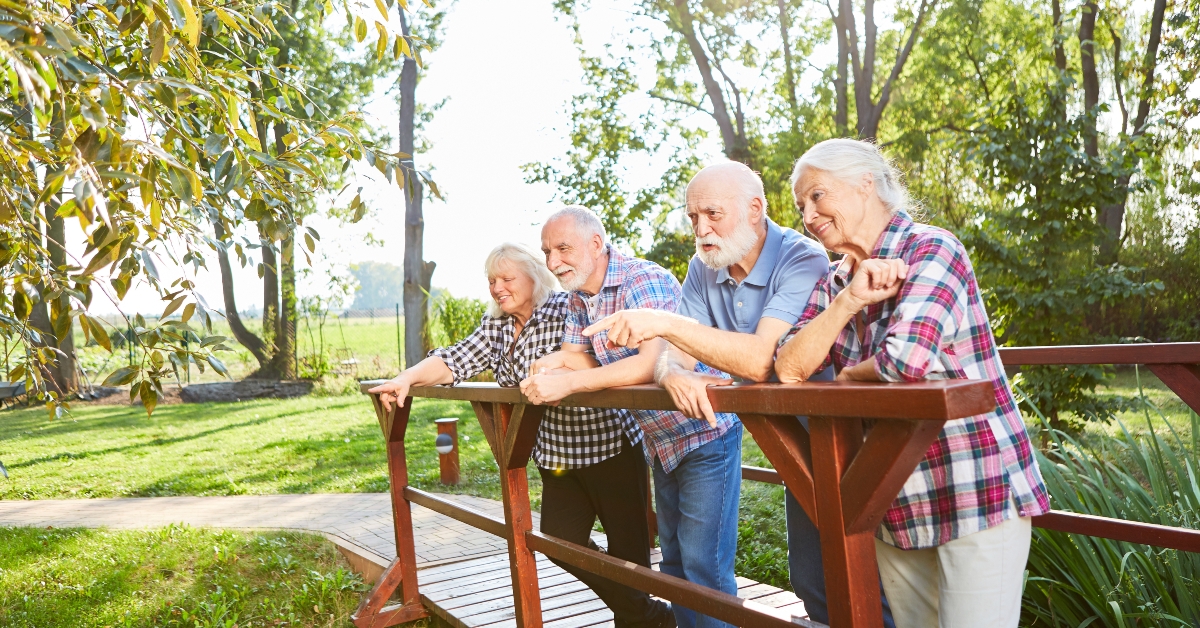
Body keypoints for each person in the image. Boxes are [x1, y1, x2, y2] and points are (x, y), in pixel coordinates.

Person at [579, 161, 895, 626]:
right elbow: (673, 358)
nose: (701, 229)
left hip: (842, 436)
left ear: (754, 210)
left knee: (861, 581)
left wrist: (665, 324)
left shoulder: (801, 257)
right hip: (789, 438)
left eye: (712, 214)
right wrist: (673, 375)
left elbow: (762, 362)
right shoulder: (704, 266)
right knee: (813, 585)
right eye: (692, 218)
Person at [773, 138, 1050, 628]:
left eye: (816, 195)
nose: (807, 214)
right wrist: (849, 303)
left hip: (973, 484)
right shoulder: (835, 282)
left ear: (866, 183)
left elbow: (903, 363)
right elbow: (789, 367)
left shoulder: (931, 247)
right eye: (800, 205)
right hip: (894, 500)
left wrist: (846, 375)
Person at [368, 243, 673, 628]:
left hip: (609, 445)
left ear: (534, 276)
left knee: (630, 555)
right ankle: (648, 614)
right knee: (560, 542)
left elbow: (599, 358)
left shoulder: (565, 309)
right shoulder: (495, 326)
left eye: (507, 278)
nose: (497, 288)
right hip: (557, 457)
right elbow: (453, 359)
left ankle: (638, 617)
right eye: (492, 280)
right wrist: (407, 378)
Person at [520, 206, 737, 628]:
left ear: (596, 244)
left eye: (562, 249)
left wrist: (566, 384)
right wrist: (547, 366)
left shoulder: (643, 279)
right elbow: (575, 356)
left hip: (703, 432)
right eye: (547, 251)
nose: (552, 262)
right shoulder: (579, 297)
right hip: (661, 441)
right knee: (674, 567)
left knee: (703, 570)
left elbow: (649, 365)